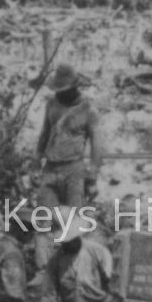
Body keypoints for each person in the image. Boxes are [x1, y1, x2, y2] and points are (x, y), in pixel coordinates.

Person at [35, 65, 101, 215]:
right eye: (57, 90)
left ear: (74, 88)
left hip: (74, 170)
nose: (60, 94)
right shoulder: (51, 103)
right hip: (50, 168)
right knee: (44, 216)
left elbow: (96, 145)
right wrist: (36, 162)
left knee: (73, 220)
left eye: (63, 90)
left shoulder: (88, 109)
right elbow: (45, 133)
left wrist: (92, 178)